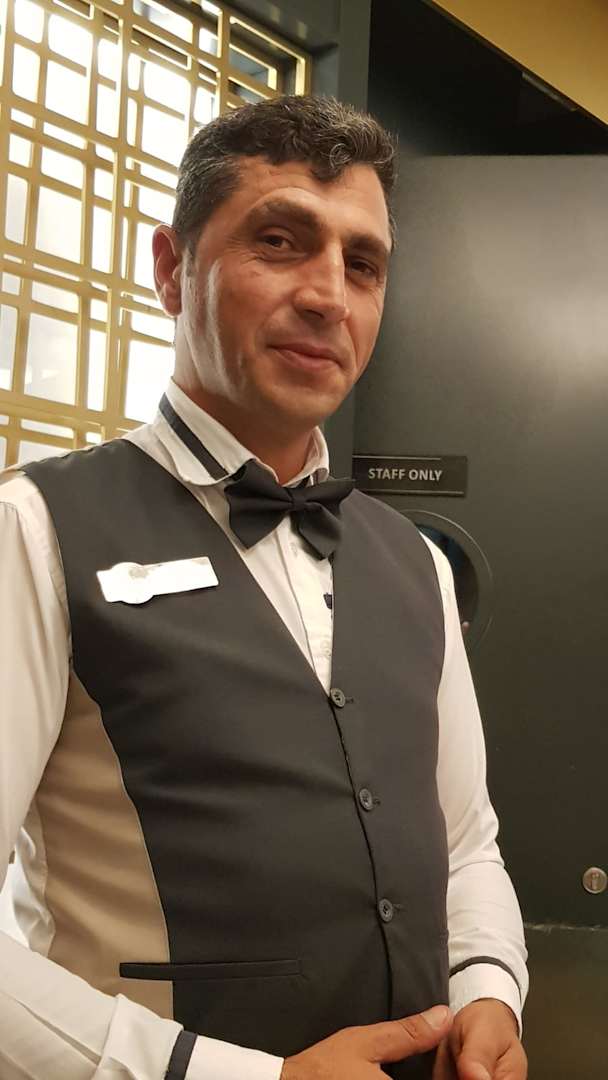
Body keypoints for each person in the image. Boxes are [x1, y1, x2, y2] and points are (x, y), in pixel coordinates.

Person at [0, 95, 528, 1080]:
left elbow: (465, 844)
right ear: (171, 270)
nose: (328, 295)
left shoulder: (414, 561)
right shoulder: (30, 531)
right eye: (279, 241)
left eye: (361, 263)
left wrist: (488, 988)